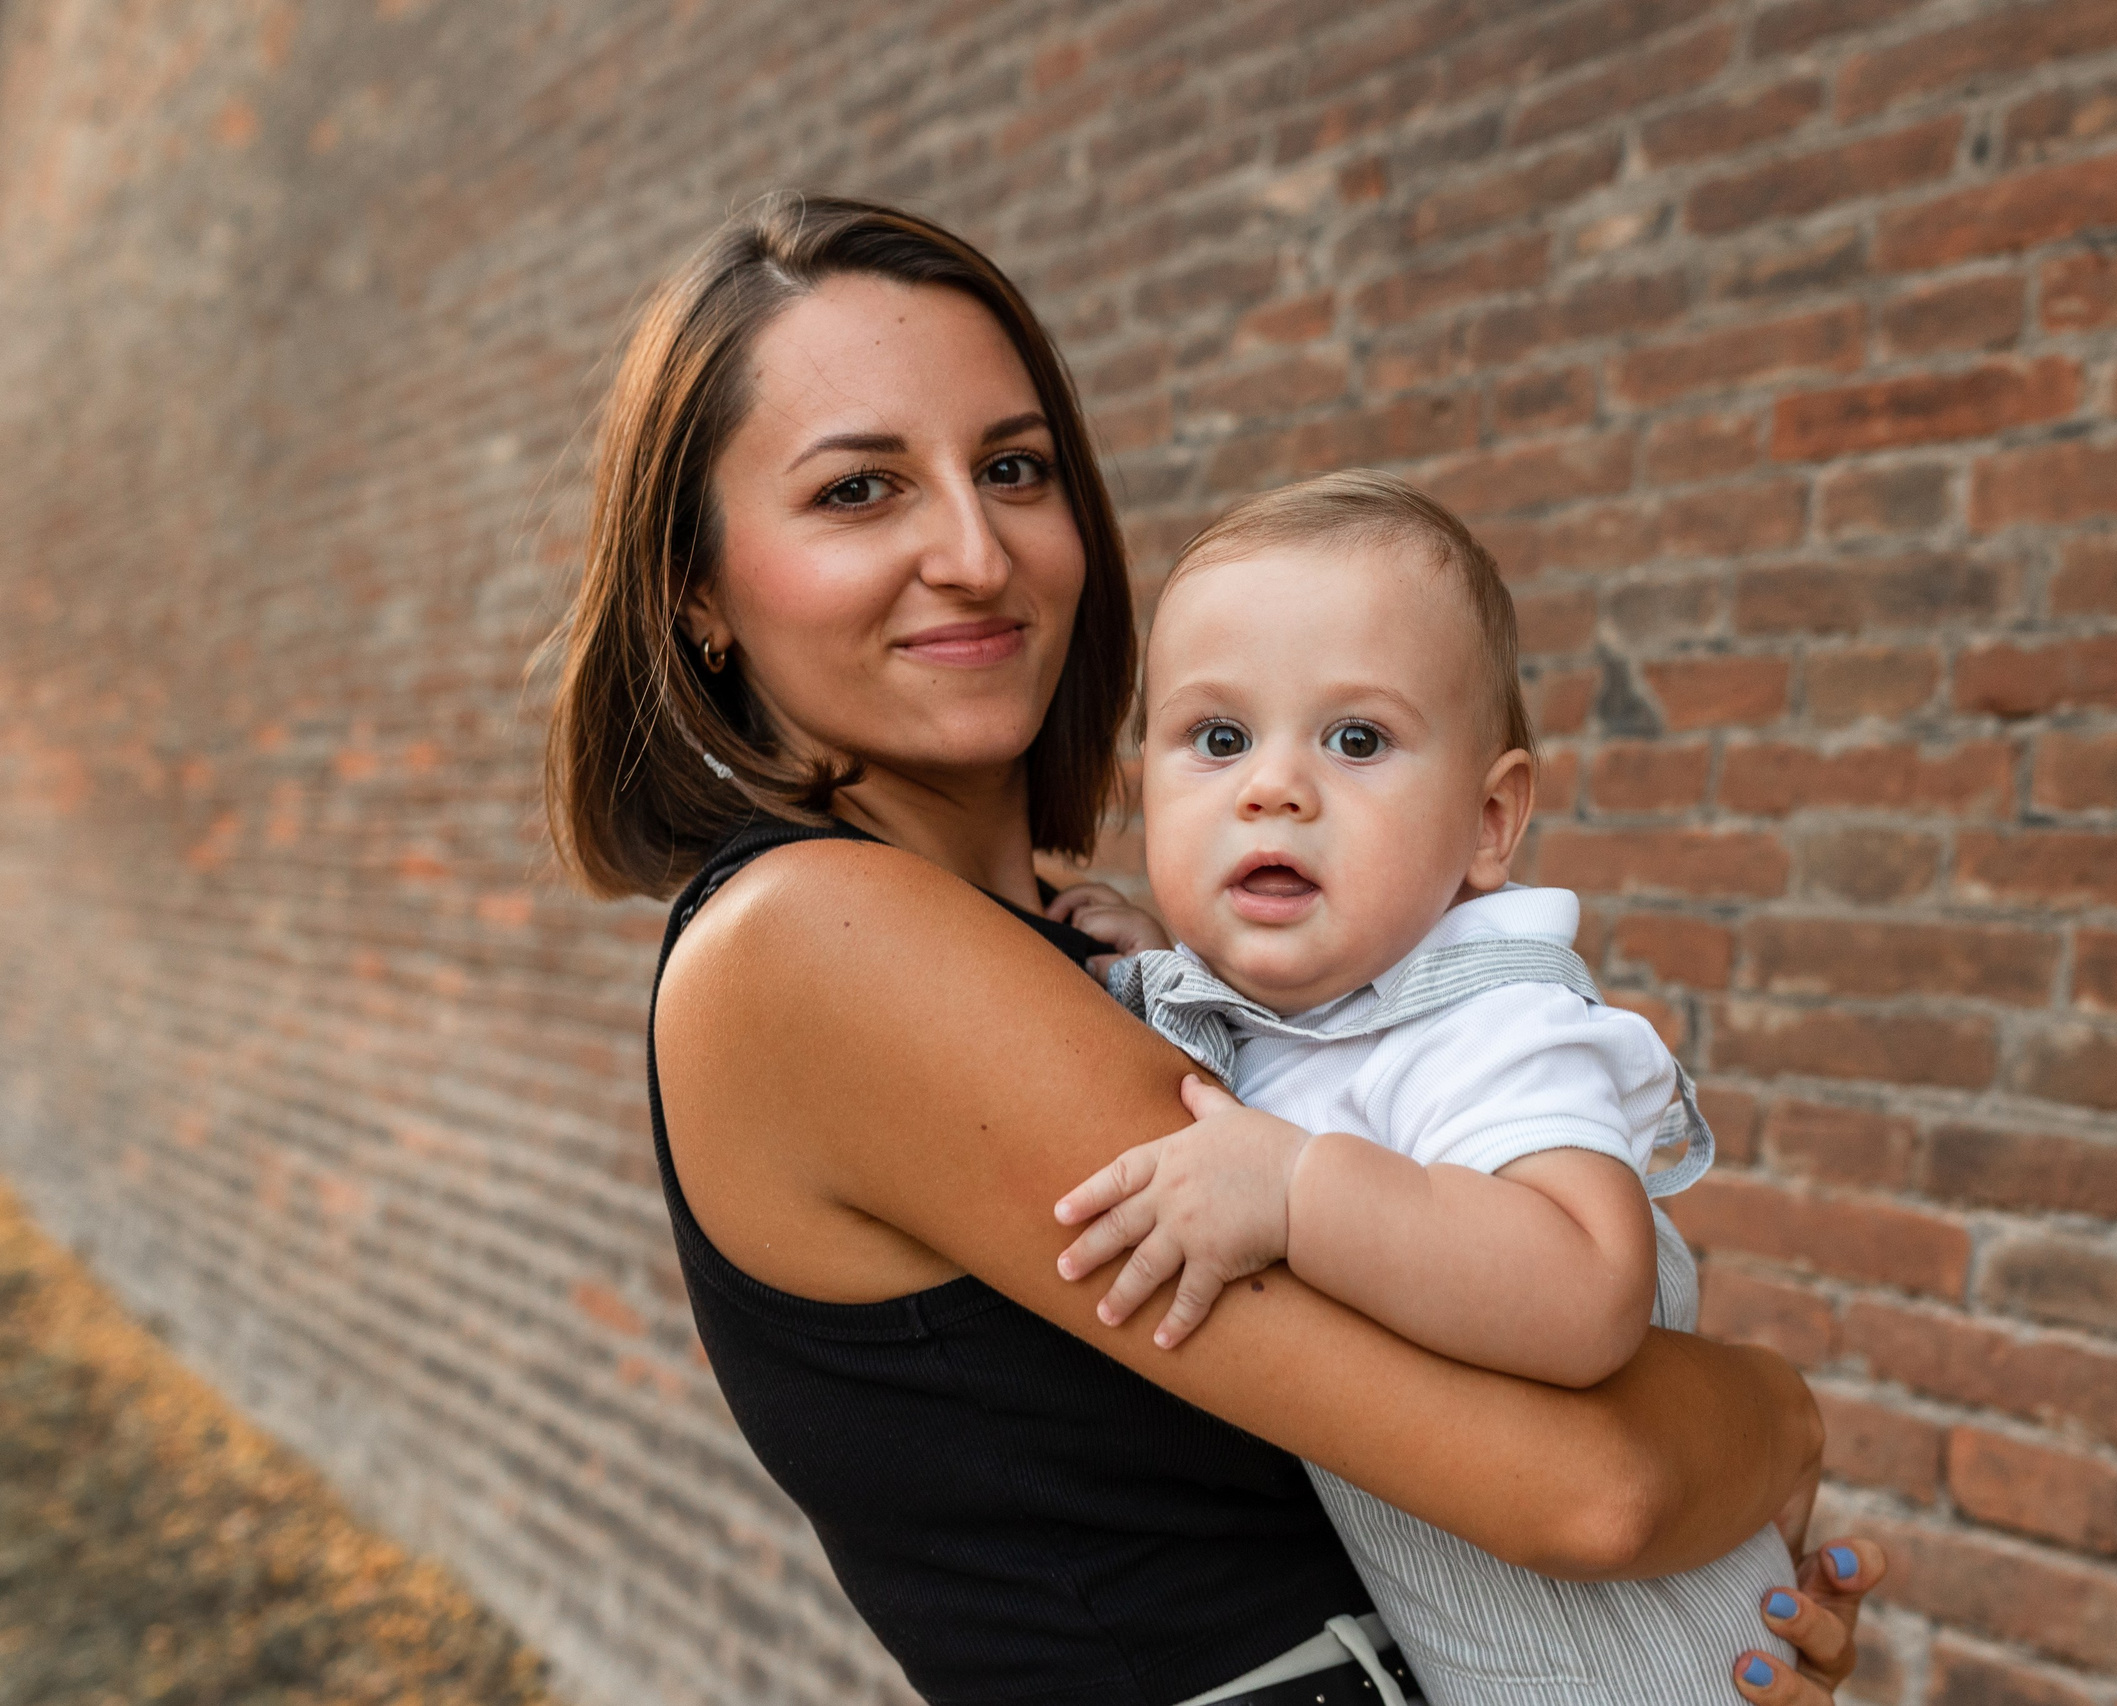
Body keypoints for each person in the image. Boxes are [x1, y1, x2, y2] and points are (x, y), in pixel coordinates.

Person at [543, 191, 1885, 1706]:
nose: (976, 552)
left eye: (1013, 467)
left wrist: (1681, 1640)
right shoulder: (814, 938)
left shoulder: (1127, 963)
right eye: (860, 491)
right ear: (698, 588)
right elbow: (1597, 1491)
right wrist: (1775, 1417)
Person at [1045, 470, 1798, 1703]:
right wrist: (1174, 968)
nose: (1272, 787)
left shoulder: (1490, 1024)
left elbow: (1581, 1285)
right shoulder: (1308, 1013)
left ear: (1490, 819)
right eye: (1218, 738)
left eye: (1357, 739)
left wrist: (1293, 1187)